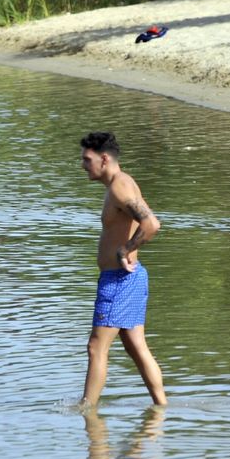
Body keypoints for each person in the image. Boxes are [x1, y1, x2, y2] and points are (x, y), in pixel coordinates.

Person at [78, 131, 166, 408]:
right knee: (135, 347)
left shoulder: (120, 187)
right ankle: (161, 408)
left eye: (87, 159)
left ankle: (87, 412)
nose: (83, 165)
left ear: (104, 159)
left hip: (119, 281)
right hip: (125, 279)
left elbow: (151, 224)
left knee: (96, 347)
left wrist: (125, 249)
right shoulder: (119, 184)